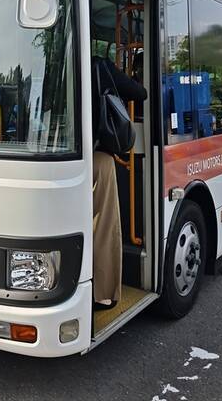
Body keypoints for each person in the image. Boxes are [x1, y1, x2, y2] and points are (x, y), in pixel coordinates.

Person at [91, 56, 147, 310]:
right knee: (104, 228)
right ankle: (102, 294)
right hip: (97, 158)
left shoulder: (57, 62)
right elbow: (139, 93)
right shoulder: (100, 66)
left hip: (61, 159)